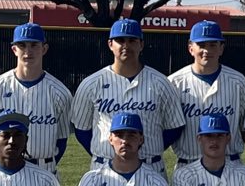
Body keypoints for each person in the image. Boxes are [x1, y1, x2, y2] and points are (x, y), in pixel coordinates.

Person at [70, 18, 186, 174]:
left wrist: (146, 148)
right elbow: (82, 130)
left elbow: (174, 127)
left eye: (132, 40)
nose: (126, 45)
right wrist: (108, 153)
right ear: (110, 44)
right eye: (120, 40)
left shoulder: (161, 83)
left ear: (141, 44)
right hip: (104, 167)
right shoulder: (91, 84)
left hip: (150, 166)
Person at [0, 22, 72, 175]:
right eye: (22, 45)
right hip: (4, 170)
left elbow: (61, 140)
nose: (28, 51)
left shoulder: (59, 92)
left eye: (34, 45)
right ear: (14, 49)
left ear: (44, 48)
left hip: (44, 169)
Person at [169, 20, 245, 168]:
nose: (207, 50)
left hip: (230, 164)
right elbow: (168, 127)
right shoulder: (174, 83)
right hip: (188, 164)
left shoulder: (238, 82)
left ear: (221, 48)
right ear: (190, 48)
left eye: (213, 45)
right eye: (201, 45)